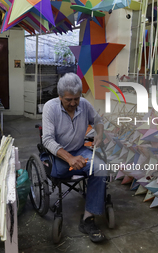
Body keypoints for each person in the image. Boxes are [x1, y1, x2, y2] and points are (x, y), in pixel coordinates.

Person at [42, 72, 107, 242]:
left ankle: (87, 219)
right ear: (60, 96)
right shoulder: (50, 107)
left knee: (100, 168)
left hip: (80, 150)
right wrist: (69, 158)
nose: (73, 103)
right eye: (68, 100)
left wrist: (99, 135)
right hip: (59, 154)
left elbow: (98, 120)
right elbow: (47, 139)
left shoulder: (84, 104)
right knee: (60, 172)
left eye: (76, 99)